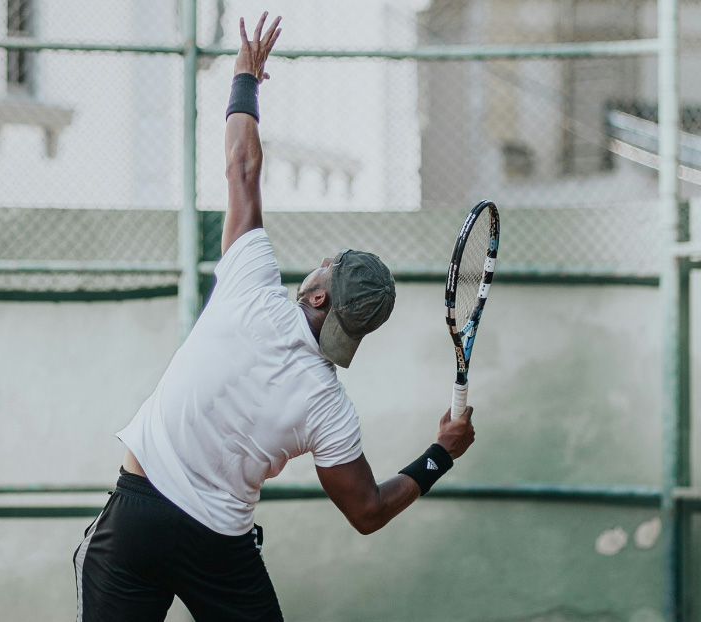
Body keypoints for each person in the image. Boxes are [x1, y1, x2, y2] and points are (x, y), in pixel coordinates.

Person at [73, 12, 477, 622]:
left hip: (138, 516)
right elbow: (366, 511)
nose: (315, 266)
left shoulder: (251, 285)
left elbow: (241, 170)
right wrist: (441, 452)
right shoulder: (328, 406)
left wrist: (244, 79)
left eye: (324, 269)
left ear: (318, 298)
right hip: (215, 542)